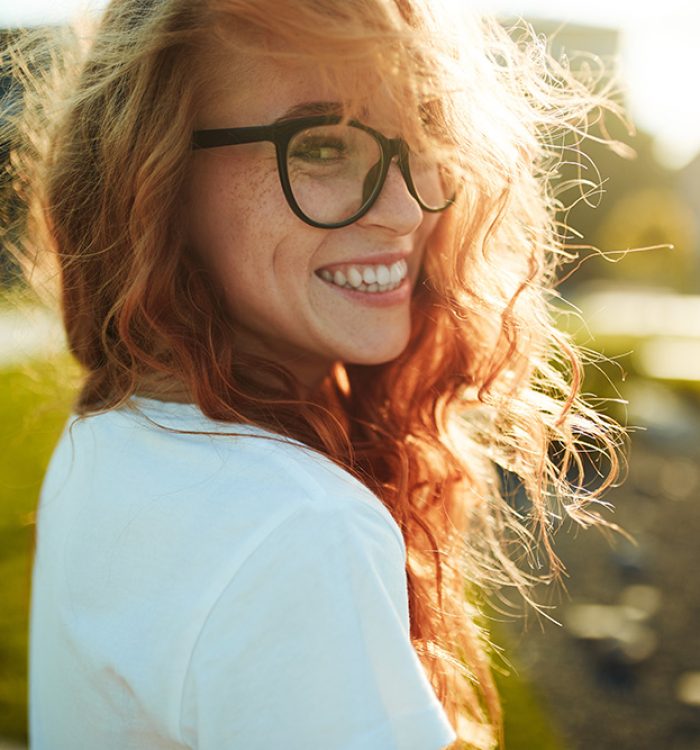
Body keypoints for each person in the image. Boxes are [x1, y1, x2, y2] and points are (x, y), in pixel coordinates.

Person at [2, 0, 629, 748]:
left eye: (425, 136)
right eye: (324, 145)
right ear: (151, 176)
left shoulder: (118, 434)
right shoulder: (297, 526)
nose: (403, 211)